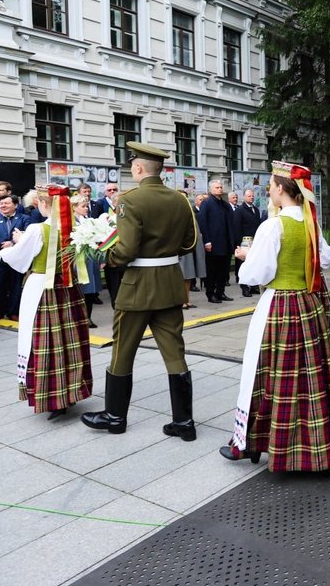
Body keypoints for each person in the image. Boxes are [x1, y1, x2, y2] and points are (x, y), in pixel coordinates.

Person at [220, 161, 330, 471]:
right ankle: (313, 447)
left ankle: (252, 442)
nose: (269, 191)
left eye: (271, 186)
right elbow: (327, 258)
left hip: (281, 306)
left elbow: (256, 274)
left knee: (266, 373)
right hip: (309, 305)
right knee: (308, 377)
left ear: (280, 190)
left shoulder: (273, 225)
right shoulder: (310, 223)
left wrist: (245, 257)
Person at [81, 142, 198, 440]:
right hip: (171, 283)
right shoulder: (180, 200)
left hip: (137, 287)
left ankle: (115, 417)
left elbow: (128, 248)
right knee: (175, 352)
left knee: (123, 351)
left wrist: (108, 257)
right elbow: (190, 243)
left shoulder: (129, 200)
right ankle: (184, 423)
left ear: (137, 168)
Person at [1, 187, 94, 419]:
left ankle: (51, 396)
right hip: (69, 289)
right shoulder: (76, 227)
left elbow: (19, 259)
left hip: (42, 288)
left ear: (44, 204)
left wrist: (12, 246)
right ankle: (71, 391)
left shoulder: (36, 229)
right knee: (69, 340)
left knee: (43, 341)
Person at [0, 194, 31, 322]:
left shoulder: (24, 218)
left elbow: (27, 233)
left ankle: (13, 312)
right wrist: (2, 243)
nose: (3, 206)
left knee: (15, 285)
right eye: (1, 204)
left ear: (15, 205)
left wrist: (12, 242)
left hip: (17, 258)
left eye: (6, 203)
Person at [199, 179, 236, 303]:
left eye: (220, 187)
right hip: (213, 243)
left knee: (223, 271)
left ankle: (220, 292)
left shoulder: (225, 204)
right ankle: (211, 293)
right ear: (210, 189)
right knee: (212, 271)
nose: (220, 189)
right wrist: (207, 241)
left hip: (226, 243)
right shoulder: (207, 203)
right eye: (217, 187)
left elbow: (230, 223)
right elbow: (203, 223)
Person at [72, 196, 102, 328]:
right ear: (74, 207)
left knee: (90, 290)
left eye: (86, 206)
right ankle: (76, 317)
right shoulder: (70, 222)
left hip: (90, 259)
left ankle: (87, 317)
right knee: (79, 290)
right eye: (83, 206)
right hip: (77, 260)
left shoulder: (89, 221)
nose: (86, 209)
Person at [176, 189, 206, 309]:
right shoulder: (174, 212)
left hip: (190, 246)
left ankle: (187, 299)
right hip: (180, 247)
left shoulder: (190, 211)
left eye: (185, 197)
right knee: (181, 276)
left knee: (188, 275)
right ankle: (180, 301)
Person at [233, 188, 263, 297]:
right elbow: (236, 228)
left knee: (254, 263)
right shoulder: (240, 210)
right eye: (249, 196)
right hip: (244, 242)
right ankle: (244, 287)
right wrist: (238, 244)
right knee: (244, 264)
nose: (252, 197)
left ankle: (254, 286)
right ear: (244, 197)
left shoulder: (256, 209)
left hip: (255, 241)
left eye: (252, 195)